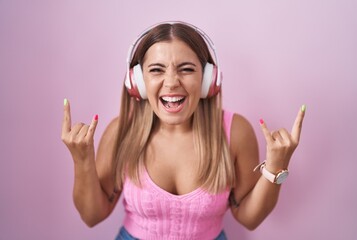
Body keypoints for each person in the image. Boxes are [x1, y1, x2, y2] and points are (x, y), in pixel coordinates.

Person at [61, 21, 306, 240]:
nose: (171, 82)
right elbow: (91, 216)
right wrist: (82, 159)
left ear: (208, 80)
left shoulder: (236, 132)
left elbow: (249, 219)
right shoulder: (120, 132)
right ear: (138, 82)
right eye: (156, 70)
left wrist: (276, 165)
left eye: (186, 69)